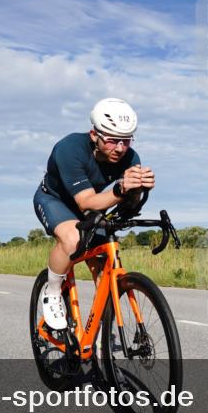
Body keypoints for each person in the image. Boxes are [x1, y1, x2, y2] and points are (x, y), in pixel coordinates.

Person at [33, 98, 155, 330]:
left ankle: (100, 336)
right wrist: (121, 189)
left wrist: (138, 190)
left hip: (94, 207)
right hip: (55, 200)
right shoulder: (69, 149)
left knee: (104, 262)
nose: (119, 148)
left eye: (126, 141)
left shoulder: (130, 158)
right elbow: (86, 202)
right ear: (94, 135)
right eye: (111, 140)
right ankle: (53, 291)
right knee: (72, 240)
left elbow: (126, 205)